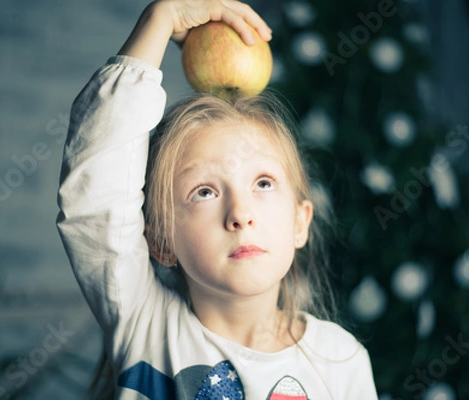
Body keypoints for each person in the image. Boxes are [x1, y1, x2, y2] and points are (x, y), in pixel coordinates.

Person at [56, 0, 378, 398]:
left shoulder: (342, 361)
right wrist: (161, 18)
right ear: (160, 241)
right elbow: (95, 189)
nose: (240, 214)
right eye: (204, 192)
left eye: (262, 183)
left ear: (300, 222)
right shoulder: (145, 324)